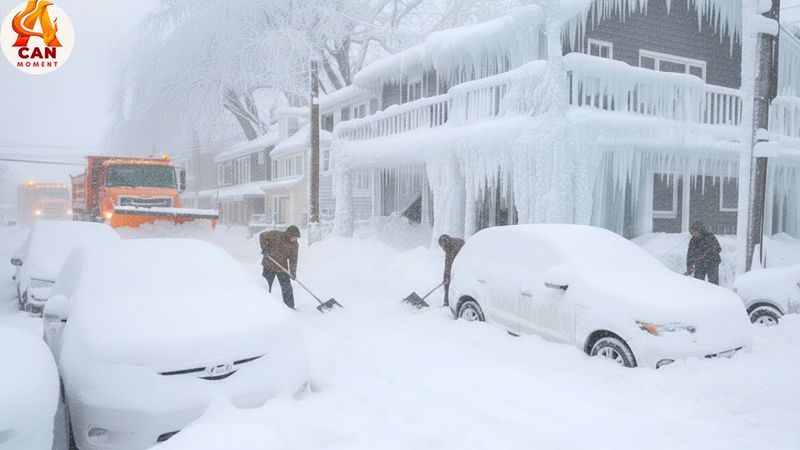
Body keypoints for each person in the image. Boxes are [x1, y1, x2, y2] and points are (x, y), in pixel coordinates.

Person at [260, 225, 301, 309]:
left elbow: (293, 259)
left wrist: (293, 271)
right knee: (266, 286)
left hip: (282, 267)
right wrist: (265, 249)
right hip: (269, 264)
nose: (295, 239)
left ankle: (290, 307)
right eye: (294, 237)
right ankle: (263, 305)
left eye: (297, 238)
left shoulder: (295, 245)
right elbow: (262, 236)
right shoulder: (276, 235)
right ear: (289, 235)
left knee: (287, 288)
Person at [686, 221, 722, 285]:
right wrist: (689, 266)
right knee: (698, 281)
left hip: (712, 263)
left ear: (700, 230)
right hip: (699, 264)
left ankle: (714, 293)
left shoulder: (710, 237)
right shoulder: (693, 240)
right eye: (692, 231)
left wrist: (707, 255)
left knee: (713, 282)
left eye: (695, 231)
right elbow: (690, 254)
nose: (694, 233)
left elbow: (718, 248)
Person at [439, 234, 465, 307]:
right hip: (457, 270)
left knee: (452, 286)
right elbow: (448, 265)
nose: (443, 249)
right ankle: (447, 302)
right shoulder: (449, 246)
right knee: (447, 284)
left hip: (462, 271)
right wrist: (446, 278)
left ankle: (449, 303)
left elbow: (451, 264)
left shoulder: (454, 247)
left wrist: (448, 277)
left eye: (443, 247)